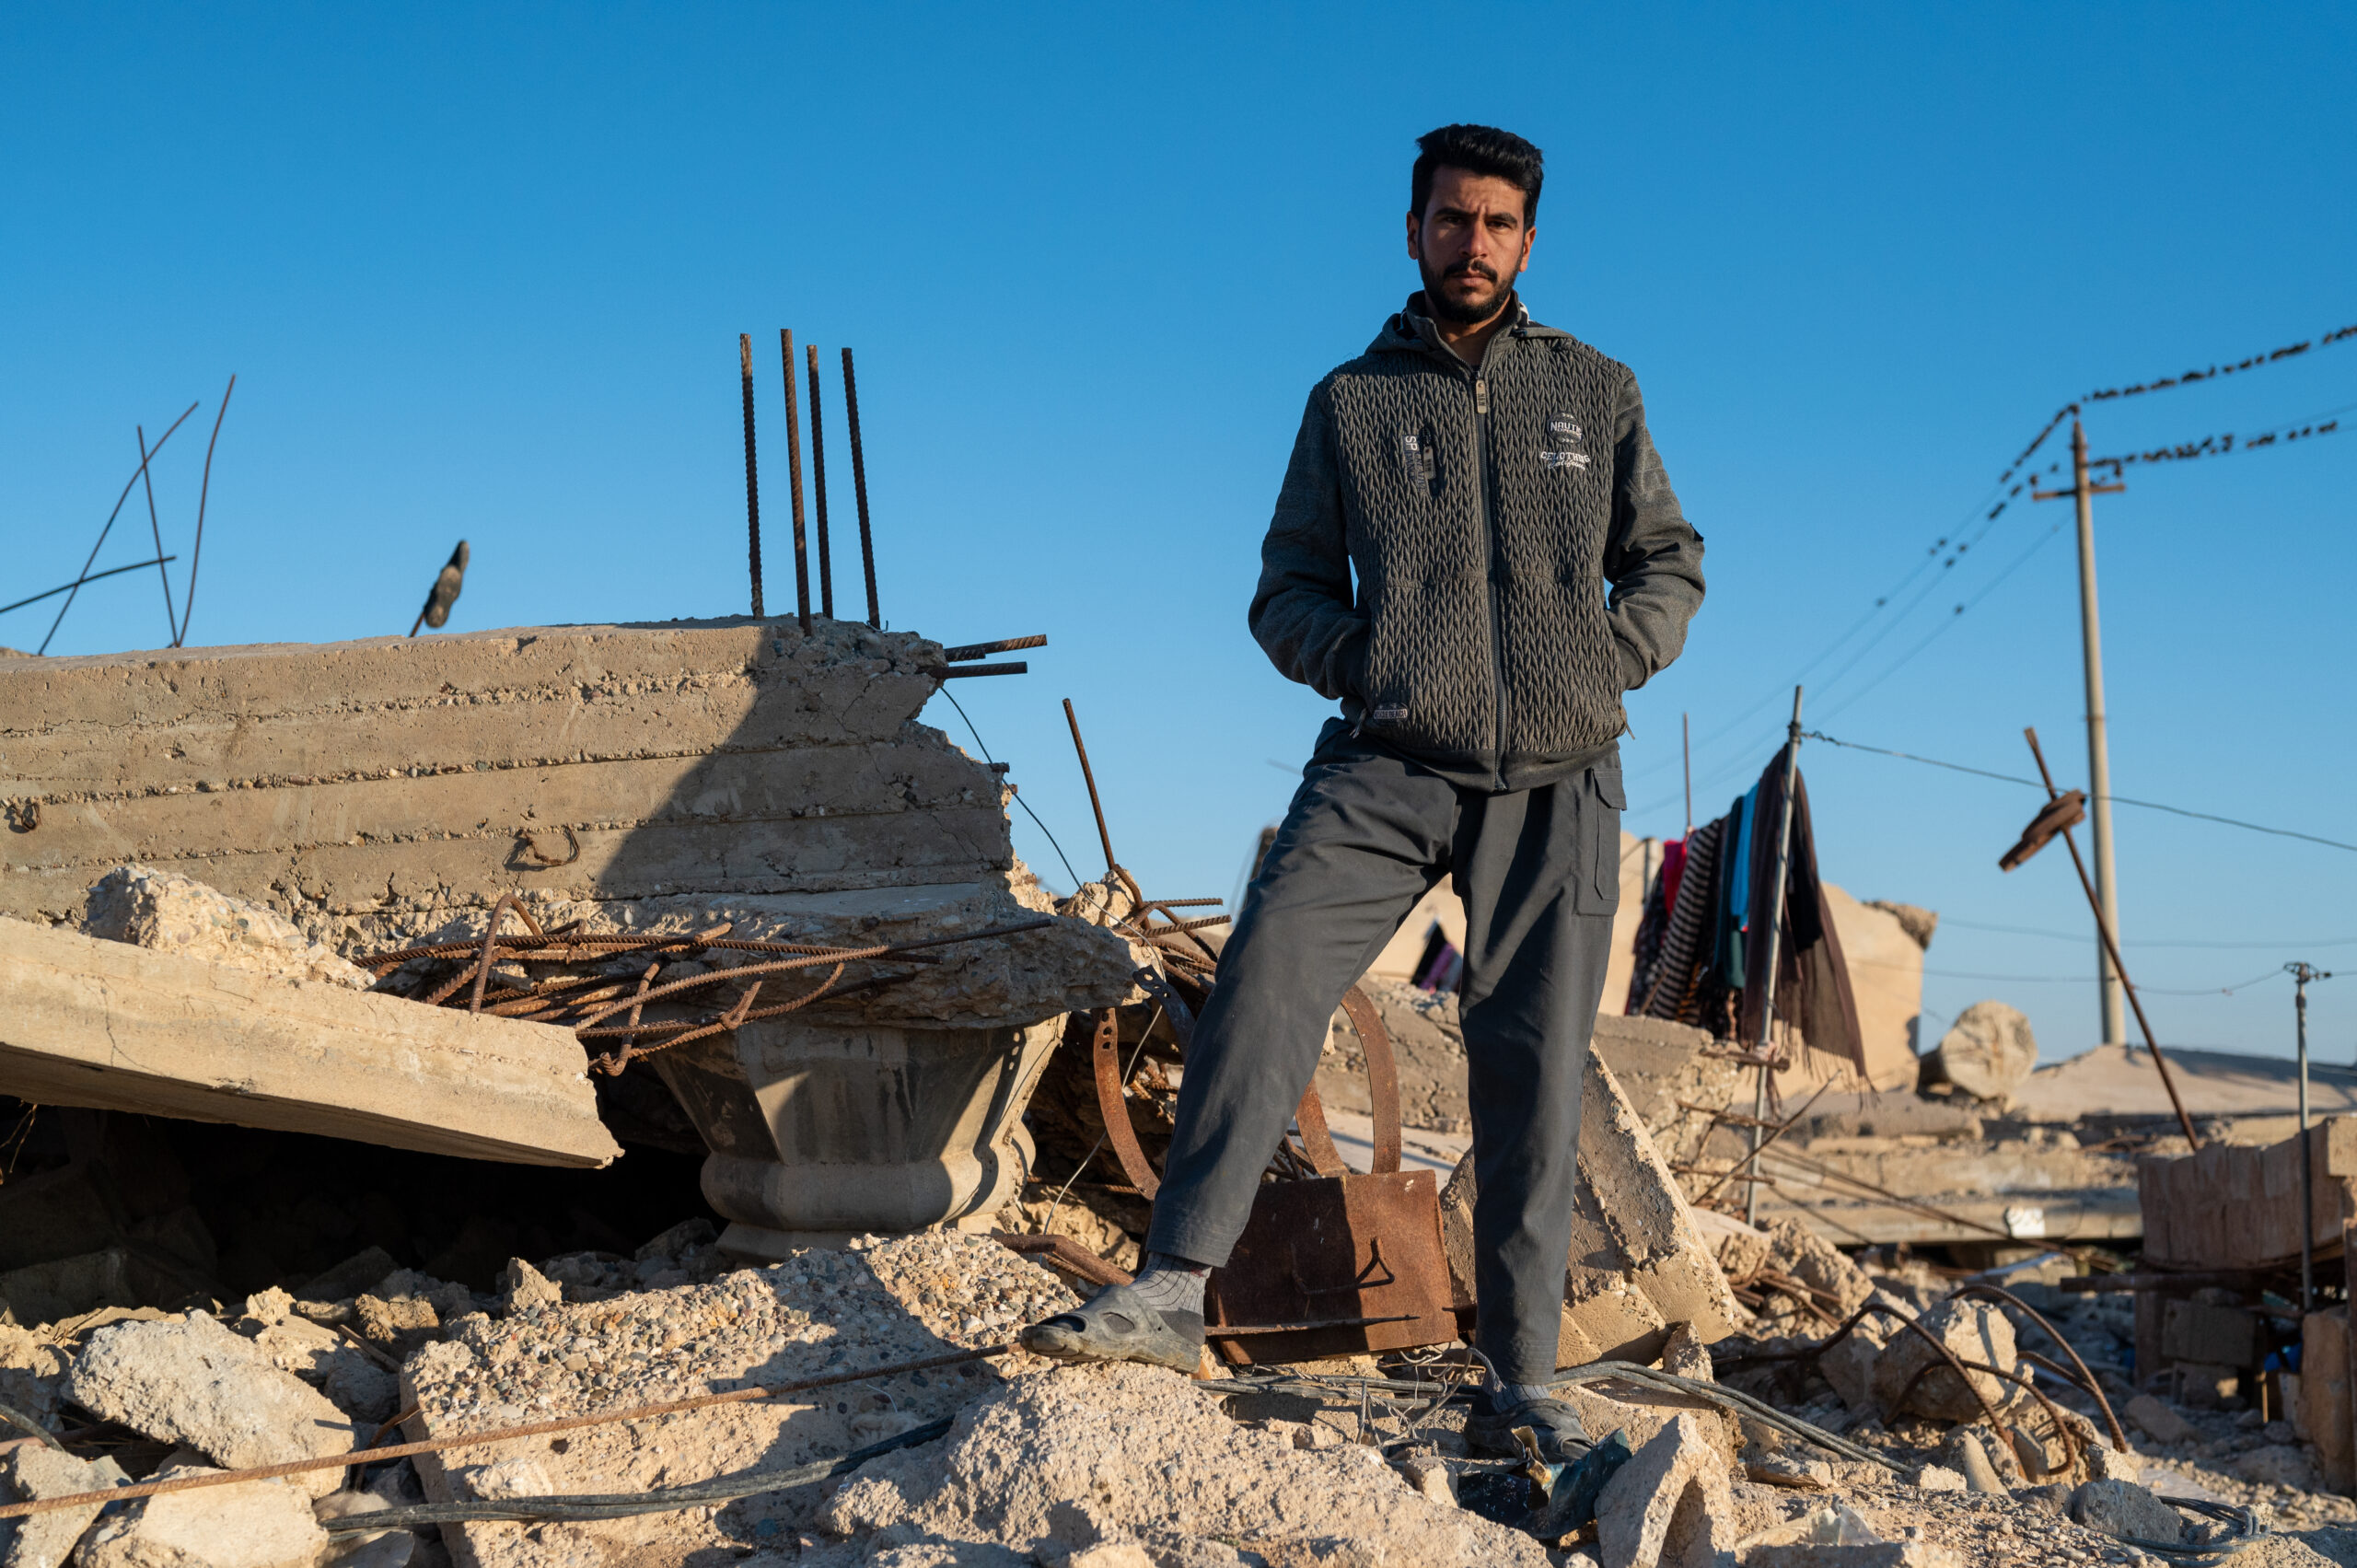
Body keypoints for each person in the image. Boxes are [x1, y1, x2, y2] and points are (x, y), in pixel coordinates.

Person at [1023, 123, 1706, 1462]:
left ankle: (1520, 1375)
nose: (1475, 243)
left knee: (1534, 1073)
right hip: (1386, 764)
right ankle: (1173, 1289)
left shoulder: (1598, 390)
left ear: (1528, 240)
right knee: (1269, 968)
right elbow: (1285, 590)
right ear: (1412, 231)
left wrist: (1599, 664)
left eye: (1500, 223)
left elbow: (1669, 564)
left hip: (1559, 779)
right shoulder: (1351, 401)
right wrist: (1372, 669)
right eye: (1452, 219)